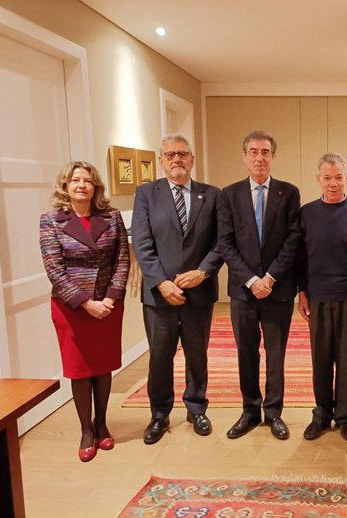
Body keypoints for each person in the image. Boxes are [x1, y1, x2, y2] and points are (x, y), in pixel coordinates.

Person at [132, 133, 223, 445]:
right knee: (160, 356)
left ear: (192, 159)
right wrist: (161, 282)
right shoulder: (146, 194)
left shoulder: (211, 195)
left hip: (199, 291)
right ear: (161, 160)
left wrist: (203, 271)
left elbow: (221, 242)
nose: (177, 160)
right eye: (170, 155)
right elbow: (142, 243)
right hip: (159, 295)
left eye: (183, 154)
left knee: (197, 354)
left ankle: (197, 407)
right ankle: (159, 414)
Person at [40, 161, 129, 462]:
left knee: (103, 367)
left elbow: (122, 260)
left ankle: (102, 424)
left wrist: (111, 299)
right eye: (75, 180)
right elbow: (54, 269)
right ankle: (85, 430)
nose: (82, 185)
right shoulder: (51, 221)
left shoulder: (112, 217)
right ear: (65, 186)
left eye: (88, 181)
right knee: (80, 370)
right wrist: (85, 301)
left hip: (107, 306)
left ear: (95, 187)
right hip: (72, 307)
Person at [218, 130, 301, 440]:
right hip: (243, 291)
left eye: (265, 152)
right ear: (244, 156)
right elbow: (225, 243)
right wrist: (252, 280)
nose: (259, 157)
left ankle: (274, 413)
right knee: (247, 353)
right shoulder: (229, 195)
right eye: (253, 151)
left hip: (277, 289)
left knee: (276, 354)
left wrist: (270, 277)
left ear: (273, 156)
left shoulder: (288, 193)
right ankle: (250, 411)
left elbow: (293, 239)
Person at [297, 153, 347, 442]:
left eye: (339, 177)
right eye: (327, 177)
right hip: (318, 298)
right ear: (318, 179)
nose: (333, 183)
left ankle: (345, 416)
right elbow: (300, 259)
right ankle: (321, 414)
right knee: (320, 360)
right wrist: (302, 292)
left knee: (346, 360)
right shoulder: (306, 214)